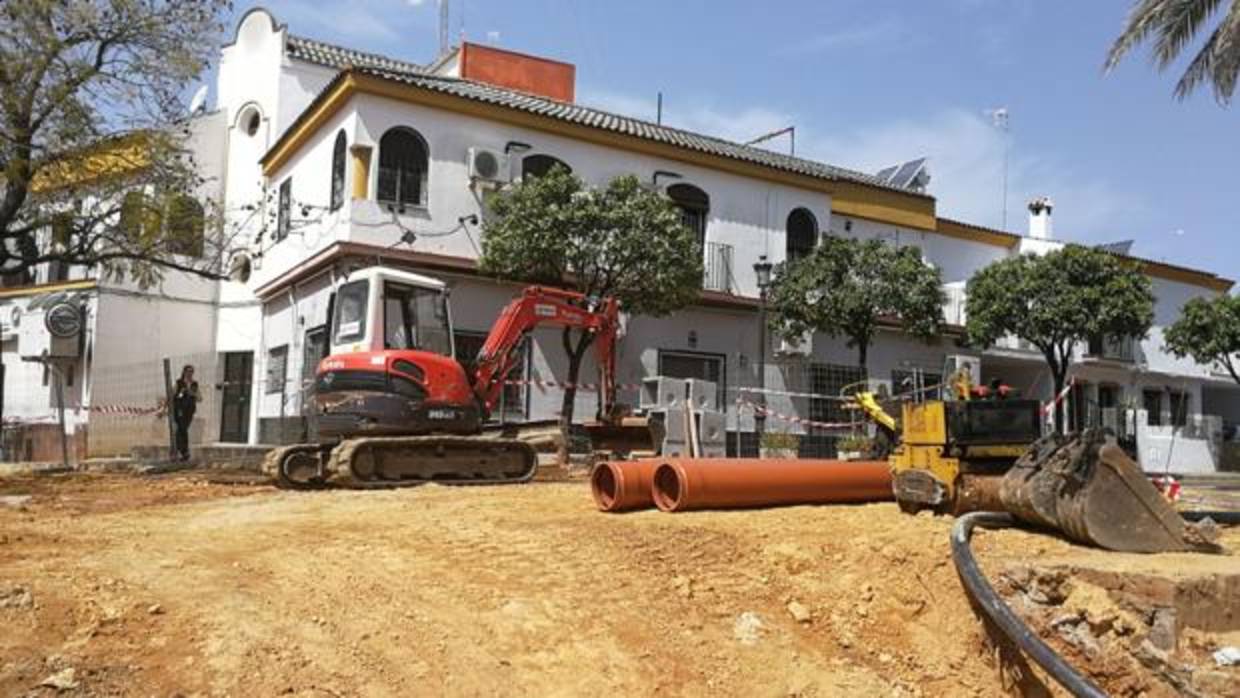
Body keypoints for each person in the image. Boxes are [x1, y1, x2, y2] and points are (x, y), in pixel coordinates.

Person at [173, 365, 201, 461]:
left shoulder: (194, 384)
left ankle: (180, 450)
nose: (190, 373)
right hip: (179, 409)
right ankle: (184, 451)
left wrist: (192, 393)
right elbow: (173, 395)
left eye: (192, 371)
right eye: (188, 371)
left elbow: (200, 398)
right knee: (182, 428)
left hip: (189, 410)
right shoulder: (179, 383)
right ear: (184, 372)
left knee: (182, 429)